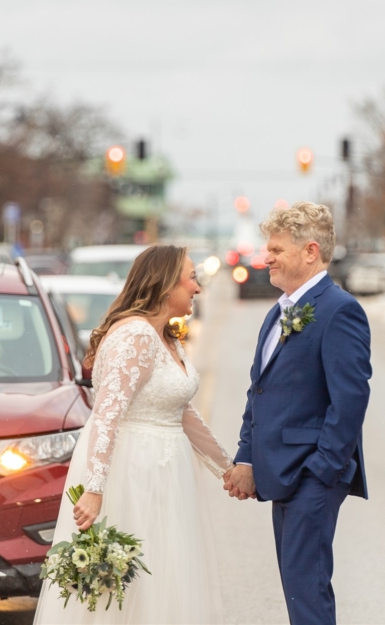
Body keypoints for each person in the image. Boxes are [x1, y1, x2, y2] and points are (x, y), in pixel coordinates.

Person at [34, 245, 232, 625]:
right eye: (191, 278)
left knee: (164, 575)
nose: (197, 288)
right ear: (165, 284)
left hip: (166, 473)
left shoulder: (165, 336)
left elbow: (180, 411)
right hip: (135, 472)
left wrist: (227, 468)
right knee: (135, 583)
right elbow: (108, 414)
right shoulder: (135, 337)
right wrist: (94, 489)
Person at [224, 202, 372, 625]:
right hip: (282, 475)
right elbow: (260, 392)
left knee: (307, 590)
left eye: (276, 249)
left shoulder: (339, 310)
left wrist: (322, 470)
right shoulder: (277, 312)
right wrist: (247, 457)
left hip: (311, 476)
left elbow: (349, 402)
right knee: (297, 587)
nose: (265, 257)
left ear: (310, 251)